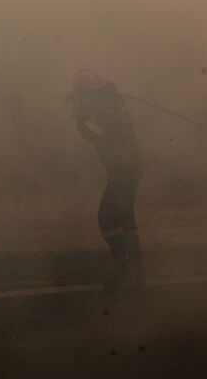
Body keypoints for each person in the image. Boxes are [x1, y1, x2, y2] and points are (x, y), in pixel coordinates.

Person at [68, 69, 145, 291]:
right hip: (126, 169)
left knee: (107, 219)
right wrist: (83, 118)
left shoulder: (107, 108)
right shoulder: (108, 104)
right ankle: (136, 273)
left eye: (83, 95)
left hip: (124, 170)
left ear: (92, 93)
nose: (81, 100)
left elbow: (100, 135)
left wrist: (82, 120)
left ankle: (125, 268)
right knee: (126, 222)